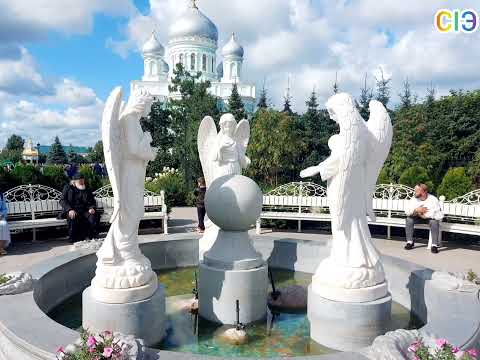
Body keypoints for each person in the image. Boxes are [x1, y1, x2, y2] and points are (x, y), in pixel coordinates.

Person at [404, 183, 444, 254]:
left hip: (429, 219)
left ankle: (434, 245)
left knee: (434, 222)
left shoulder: (433, 199)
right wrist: (416, 210)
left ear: (424, 192)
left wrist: (425, 215)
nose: (414, 192)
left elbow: (439, 215)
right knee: (409, 219)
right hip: (417, 218)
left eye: (417, 191)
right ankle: (410, 242)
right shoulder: (414, 199)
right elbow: (407, 211)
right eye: (415, 190)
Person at [61, 174, 98, 244]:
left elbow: (92, 201)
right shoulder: (68, 187)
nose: (82, 182)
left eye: (83, 180)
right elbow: (62, 200)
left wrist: (92, 208)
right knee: (73, 217)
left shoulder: (86, 188)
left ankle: (90, 237)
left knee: (92, 216)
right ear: (74, 182)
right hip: (72, 210)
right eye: (80, 181)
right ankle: (74, 238)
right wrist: (69, 209)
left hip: (85, 210)